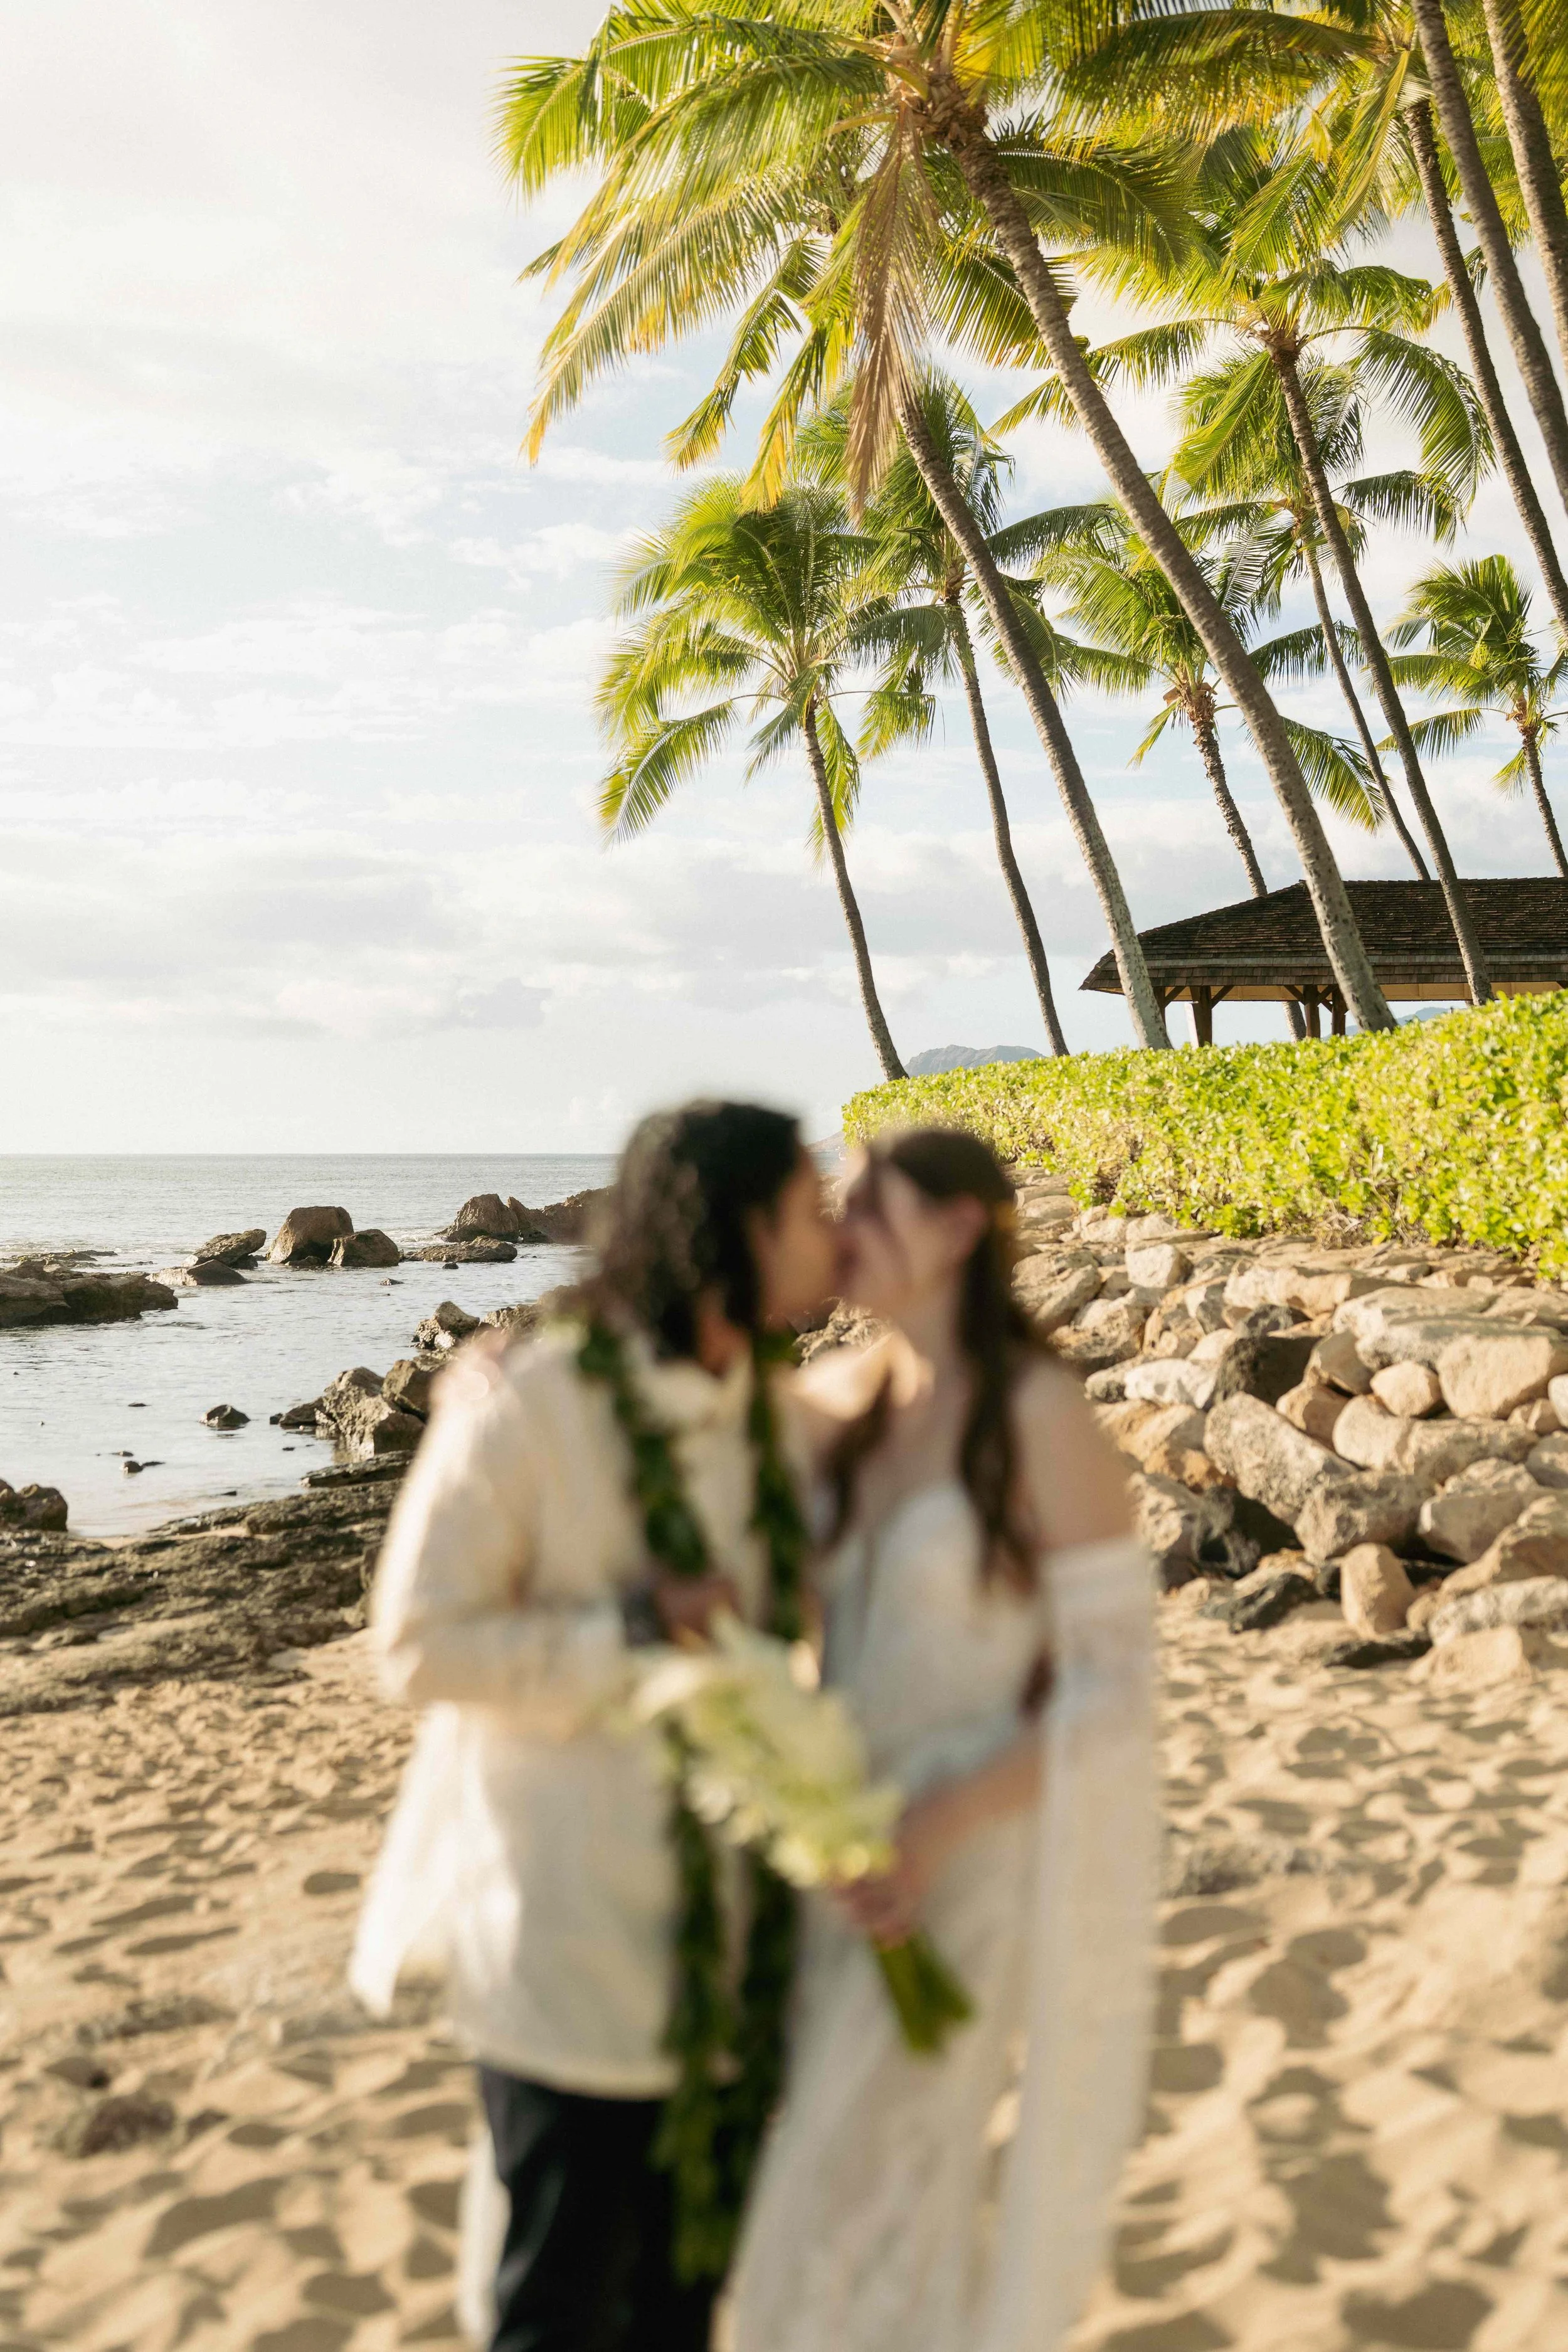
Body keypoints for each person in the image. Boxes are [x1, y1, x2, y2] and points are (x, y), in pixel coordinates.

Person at [349, 1101, 837, 2352]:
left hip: (730, 1948)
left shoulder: (775, 1423)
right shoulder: (533, 1401)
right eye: (805, 1209)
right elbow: (411, 1645)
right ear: (735, 1229)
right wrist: (626, 1639)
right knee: (556, 2306)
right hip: (561, 1936)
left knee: (680, 2308)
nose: (827, 1231)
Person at [729, 1127, 1157, 2352]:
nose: (841, 1228)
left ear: (961, 1227)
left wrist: (932, 1828)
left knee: (860, 2187)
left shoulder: (1035, 1412)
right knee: (819, 2196)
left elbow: (1110, 1686)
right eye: (833, 1207)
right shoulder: (829, 1403)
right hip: (828, 1848)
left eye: (867, 1204)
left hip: (959, 1856)